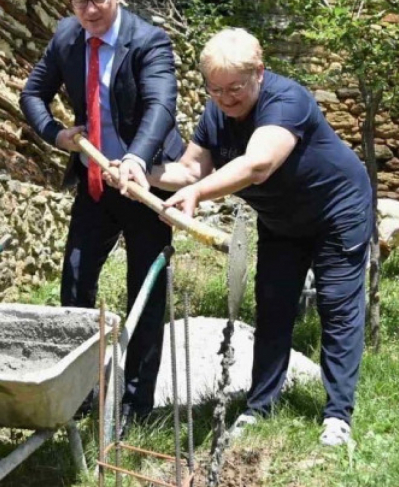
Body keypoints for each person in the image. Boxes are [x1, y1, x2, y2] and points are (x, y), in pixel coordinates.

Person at [146, 28, 373, 446]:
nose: (225, 99)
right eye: (215, 90)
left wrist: (197, 193)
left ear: (259, 73)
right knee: (273, 306)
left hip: (336, 212)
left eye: (235, 88)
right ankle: (259, 406)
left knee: (337, 307)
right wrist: (141, 173)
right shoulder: (216, 114)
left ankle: (337, 416)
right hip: (281, 221)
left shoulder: (287, 100)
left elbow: (258, 165)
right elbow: (191, 169)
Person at [19, 0, 184, 430]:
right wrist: (55, 134)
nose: (89, 10)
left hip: (145, 182)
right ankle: (79, 391)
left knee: (145, 289)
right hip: (95, 182)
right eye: (79, 1)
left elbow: (160, 106)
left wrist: (136, 159)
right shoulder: (66, 38)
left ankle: (136, 404)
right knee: (75, 283)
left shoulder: (149, 41)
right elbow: (32, 94)